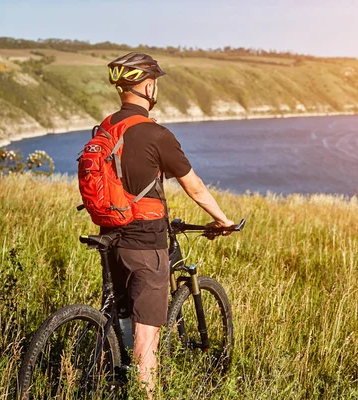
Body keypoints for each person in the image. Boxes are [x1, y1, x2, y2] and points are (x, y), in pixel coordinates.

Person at [101, 52, 235, 396]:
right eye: (154, 83)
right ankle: (144, 389)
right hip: (145, 242)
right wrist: (222, 220)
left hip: (109, 235)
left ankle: (114, 372)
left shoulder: (104, 129)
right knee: (148, 337)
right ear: (147, 87)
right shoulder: (155, 134)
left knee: (125, 316)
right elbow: (194, 186)